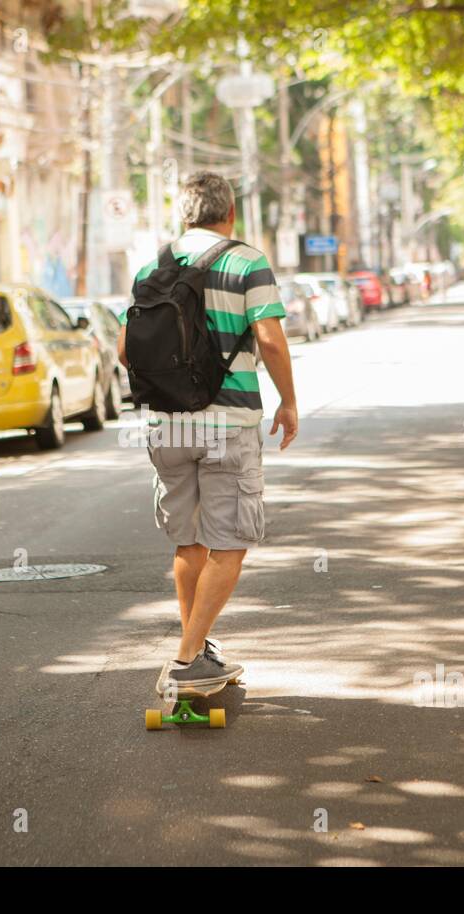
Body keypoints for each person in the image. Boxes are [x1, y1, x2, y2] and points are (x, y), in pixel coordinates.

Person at [116, 172, 298, 695]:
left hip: (166, 424)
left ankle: (200, 646)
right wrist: (287, 401)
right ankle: (186, 659)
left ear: (184, 215)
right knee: (230, 543)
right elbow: (271, 340)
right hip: (227, 422)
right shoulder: (247, 261)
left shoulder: (153, 265)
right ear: (230, 213)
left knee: (188, 541)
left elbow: (124, 352)